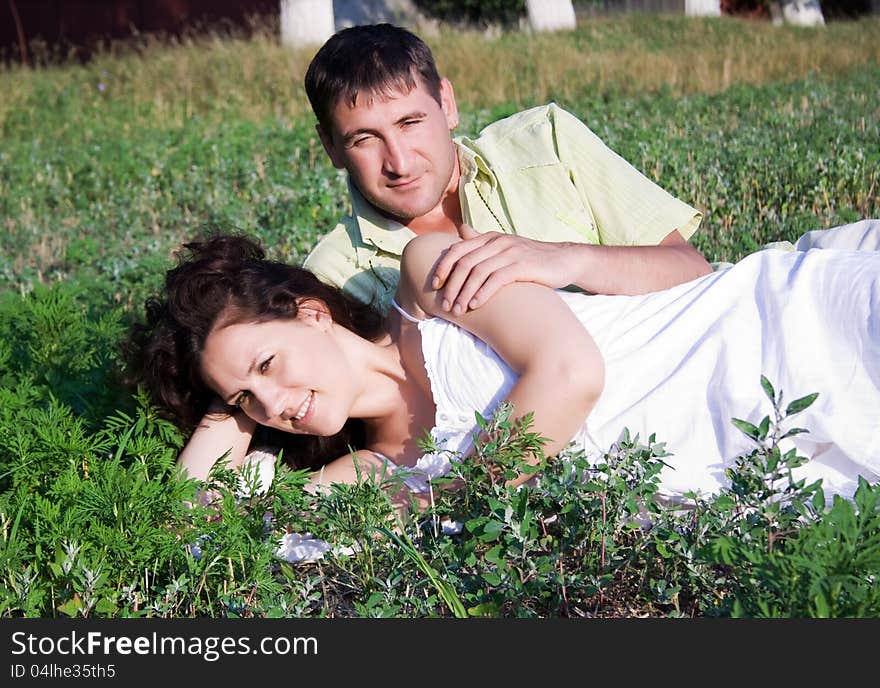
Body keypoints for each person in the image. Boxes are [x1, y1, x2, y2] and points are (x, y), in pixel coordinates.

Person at [129, 230, 880, 530]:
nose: (279, 404)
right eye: (251, 400)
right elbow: (194, 523)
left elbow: (571, 372)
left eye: (269, 364)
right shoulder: (371, 467)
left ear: (313, 313)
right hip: (772, 440)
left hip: (780, 328)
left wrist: (451, 494)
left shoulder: (426, 281)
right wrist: (225, 407)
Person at [300, 23, 714, 316]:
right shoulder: (333, 273)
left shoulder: (547, 141)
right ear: (330, 146)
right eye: (364, 139)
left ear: (446, 104)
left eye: (410, 124)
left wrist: (564, 260)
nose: (400, 162)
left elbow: (691, 269)